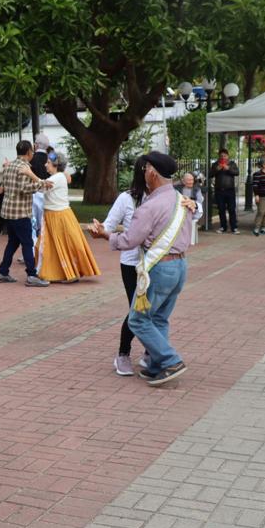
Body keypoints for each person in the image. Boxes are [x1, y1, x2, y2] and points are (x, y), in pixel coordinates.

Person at [88, 151, 195, 386]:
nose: (144, 173)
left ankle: (170, 361)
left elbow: (129, 240)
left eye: (146, 169)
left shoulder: (150, 206)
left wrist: (107, 236)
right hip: (180, 265)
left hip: (159, 268)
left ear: (153, 173)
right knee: (159, 318)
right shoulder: (182, 200)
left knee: (137, 319)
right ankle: (156, 365)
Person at [100, 156, 149, 377]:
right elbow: (108, 225)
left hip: (155, 262)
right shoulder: (127, 198)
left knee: (153, 309)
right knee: (136, 309)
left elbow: (195, 213)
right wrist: (101, 231)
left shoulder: (163, 197)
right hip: (131, 263)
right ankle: (123, 353)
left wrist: (193, 204)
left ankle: (150, 351)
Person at [0, 140, 54, 287]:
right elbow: (24, 188)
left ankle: (3, 272)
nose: (33, 154)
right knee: (27, 243)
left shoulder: (9, 166)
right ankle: (31, 275)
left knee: (13, 243)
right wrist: (41, 184)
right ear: (28, 152)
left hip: (8, 211)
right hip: (20, 212)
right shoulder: (24, 166)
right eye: (32, 152)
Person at [36, 153, 100, 283]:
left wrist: (27, 173)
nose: (45, 164)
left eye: (48, 162)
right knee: (52, 247)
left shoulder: (58, 177)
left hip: (59, 216)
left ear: (55, 165)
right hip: (53, 216)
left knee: (64, 246)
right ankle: (63, 273)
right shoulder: (57, 176)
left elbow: (41, 187)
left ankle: (70, 273)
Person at [209, 148, 239, 233]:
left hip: (230, 190)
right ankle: (223, 227)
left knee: (232, 209)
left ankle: (234, 227)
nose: (223, 157)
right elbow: (210, 174)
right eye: (221, 156)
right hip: (219, 190)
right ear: (219, 156)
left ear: (228, 156)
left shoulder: (232, 164)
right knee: (221, 209)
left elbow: (237, 172)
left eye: (225, 156)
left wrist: (228, 168)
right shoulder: (215, 164)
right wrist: (216, 169)